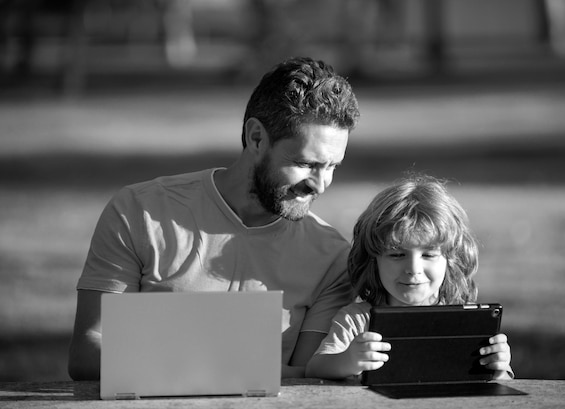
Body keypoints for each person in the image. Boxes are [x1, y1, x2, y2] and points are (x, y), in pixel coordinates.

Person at [68, 56, 360, 381]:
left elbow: (311, 380)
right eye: (307, 164)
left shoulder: (331, 257)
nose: (321, 184)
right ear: (256, 138)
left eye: (332, 166)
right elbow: (88, 354)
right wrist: (224, 371)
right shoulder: (140, 212)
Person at [305, 173, 514, 380]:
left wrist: (498, 368)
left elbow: (500, 386)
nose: (413, 269)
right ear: (372, 260)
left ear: (451, 260)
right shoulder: (357, 320)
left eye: (429, 254)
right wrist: (347, 360)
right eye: (397, 254)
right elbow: (315, 369)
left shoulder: (465, 321)